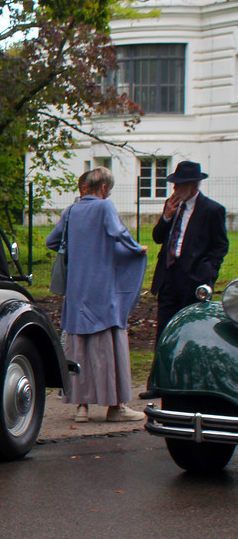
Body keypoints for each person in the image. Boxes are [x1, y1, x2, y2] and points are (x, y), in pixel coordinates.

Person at [45, 167, 147, 423]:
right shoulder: (104, 207)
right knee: (109, 347)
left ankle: (82, 408)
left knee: (79, 347)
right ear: (103, 188)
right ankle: (116, 408)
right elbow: (118, 233)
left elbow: (51, 241)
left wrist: (78, 251)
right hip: (103, 292)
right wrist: (137, 248)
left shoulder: (70, 212)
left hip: (77, 293)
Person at [150, 160, 229, 343]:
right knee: (164, 329)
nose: (175, 188)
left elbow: (221, 246)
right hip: (168, 276)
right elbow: (157, 237)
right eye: (174, 184)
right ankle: (163, 368)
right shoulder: (171, 205)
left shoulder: (212, 210)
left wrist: (207, 272)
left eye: (179, 184)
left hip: (193, 276)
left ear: (192, 185)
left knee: (189, 329)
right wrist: (167, 216)